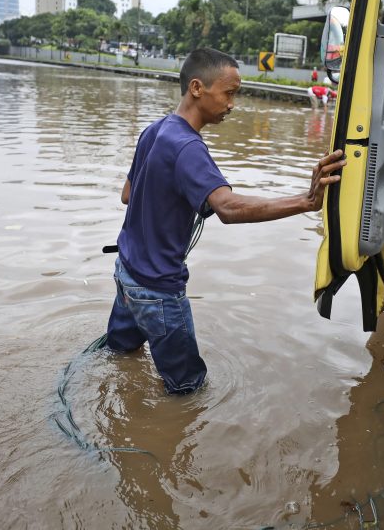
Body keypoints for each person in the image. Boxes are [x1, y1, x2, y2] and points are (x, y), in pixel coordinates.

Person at [105, 47, 346, 394]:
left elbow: (128, 195)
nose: (232, 104)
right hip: (158, 291)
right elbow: (228, 208)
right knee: (189, 391)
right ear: (197, 88)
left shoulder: (154, 131)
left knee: (120, 357)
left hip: (126, 274)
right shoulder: (188, 147)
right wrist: (306, 201)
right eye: (229, 93)